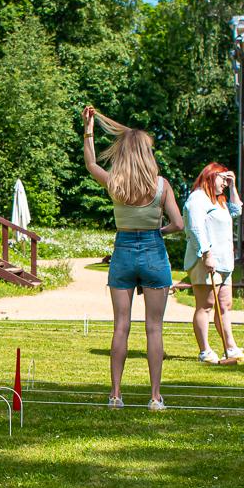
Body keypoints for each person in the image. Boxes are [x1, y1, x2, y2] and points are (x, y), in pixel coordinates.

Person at [83, 106, 185, 409]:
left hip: (123, 252)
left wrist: (89, 129)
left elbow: (90, 163)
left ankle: (116, 394)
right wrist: (157, 231)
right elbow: (179, 225)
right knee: (154, 328)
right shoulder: (161, 185)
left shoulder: (115, 183)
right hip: (154, 252)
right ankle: (155, 397)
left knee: (121, 326)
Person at [183, 162, 244, 364]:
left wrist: (234, 186)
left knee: (225, 305)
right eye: (223, 180)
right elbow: (195, 228)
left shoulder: (219, 201)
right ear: (210, 176)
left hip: (224, 262)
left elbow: (237, 212)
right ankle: (205, 351)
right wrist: (206, 253)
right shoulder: (197, 199)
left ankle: (231, 348)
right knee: (206, 305)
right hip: (206, 260)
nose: (225, 184)